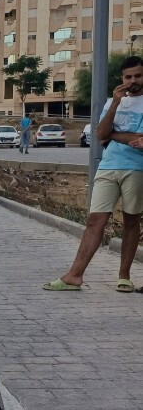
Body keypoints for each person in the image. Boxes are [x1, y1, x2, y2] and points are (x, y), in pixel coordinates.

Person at [44, 55, 143, 292]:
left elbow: (131, 140)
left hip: (137, 169)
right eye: (128, 77)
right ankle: (74, 276)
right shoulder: (113, 102)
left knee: (131, 221)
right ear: (122, 78)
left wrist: (114, 135)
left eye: (138, 76)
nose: (133, 81)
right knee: (94, 221)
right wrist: (116, 107)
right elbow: (100, 135)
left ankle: (124, 277)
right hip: (108, 167)